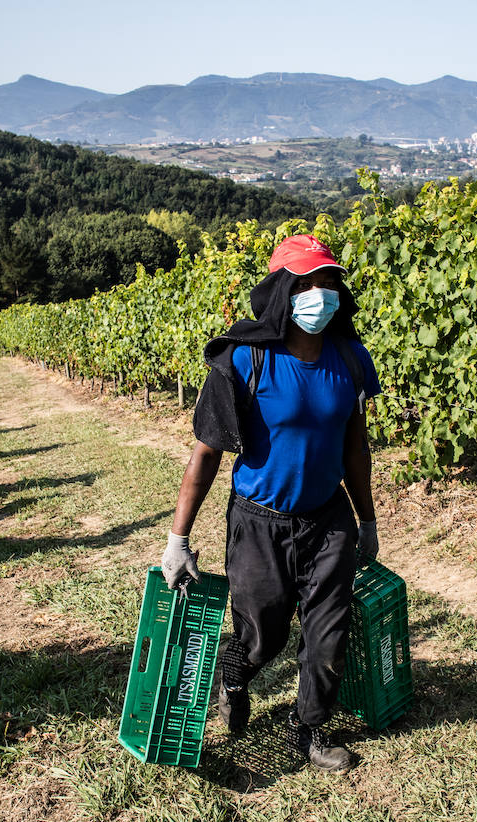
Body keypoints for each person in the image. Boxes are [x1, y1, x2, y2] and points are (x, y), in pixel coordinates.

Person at [162, 234, 382, 773]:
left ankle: (308, 730)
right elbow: (207, 454)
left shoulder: (349, 359)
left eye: (328, 282)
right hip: (259, 522)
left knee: (327, 635)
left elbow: (355, 447)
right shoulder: (243, 361)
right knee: (264, 633)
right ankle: (235, 676)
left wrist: (367, 519)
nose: (320, 294)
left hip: (328, 521)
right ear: (283, 291)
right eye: (306, 283)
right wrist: (178, 539)